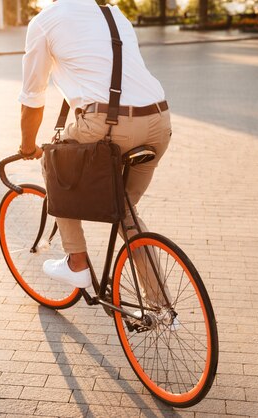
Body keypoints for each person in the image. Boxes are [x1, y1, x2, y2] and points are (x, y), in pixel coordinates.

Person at [18, 0, 171, 300]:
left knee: (54, 163)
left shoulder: (44, 22)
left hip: (111, 124)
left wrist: (27, 146)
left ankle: (76, 262)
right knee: (124, 209)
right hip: (158, 120)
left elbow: (32, 99)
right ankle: (160, 303)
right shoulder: (113, 13)